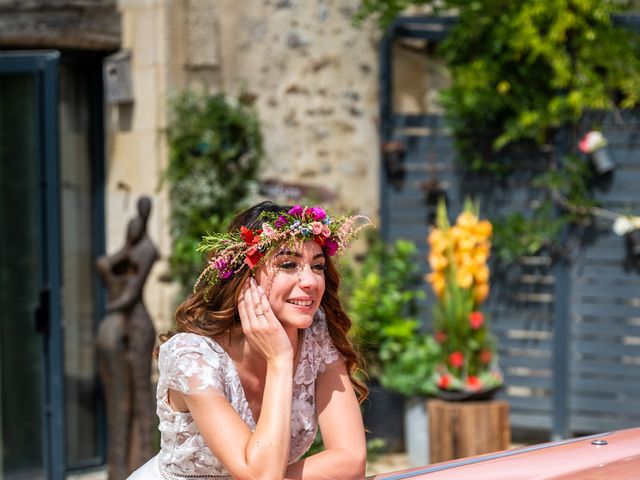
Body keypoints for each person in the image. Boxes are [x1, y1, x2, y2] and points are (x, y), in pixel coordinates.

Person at [130, 201, 371, 480]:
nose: (310, 281)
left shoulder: (315, 335)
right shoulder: (191, 357)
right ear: (246, 277)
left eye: (317, 266)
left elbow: (351, 460)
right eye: (289, 264)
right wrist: (279, 360)